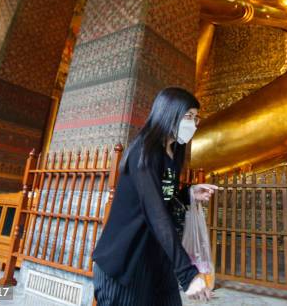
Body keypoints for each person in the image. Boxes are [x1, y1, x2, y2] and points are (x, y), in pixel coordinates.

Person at [92, 87, 217, 305]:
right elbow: (155, 213)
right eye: (188, 116)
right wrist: (188, 274)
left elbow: (162, 198)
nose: (193, 123)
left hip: (156, 260)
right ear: (168, 113)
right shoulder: (144, 152)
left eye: (196, 117)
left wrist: (187, 194)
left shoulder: (173, 153)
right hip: (127, 262)